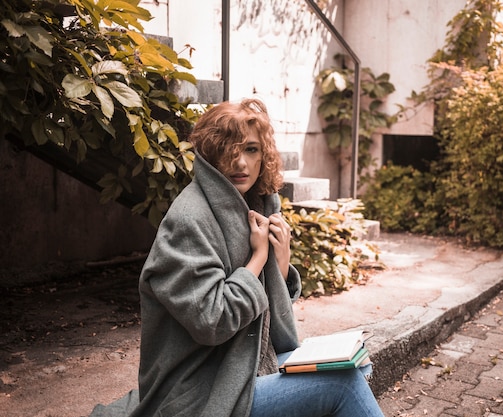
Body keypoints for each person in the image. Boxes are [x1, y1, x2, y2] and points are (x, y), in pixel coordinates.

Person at [89, 98, 384, 417]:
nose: (241, 162)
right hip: (200, 390)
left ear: (264, 155)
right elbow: (212, 322)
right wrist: (259, 257)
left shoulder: (256, 207)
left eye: (251, 149)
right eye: (229, 149)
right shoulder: (189, 221)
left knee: (354, 366)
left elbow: (268, 323)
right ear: (210, 153)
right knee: (341, 385)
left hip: (244, 368)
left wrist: (280, 264)